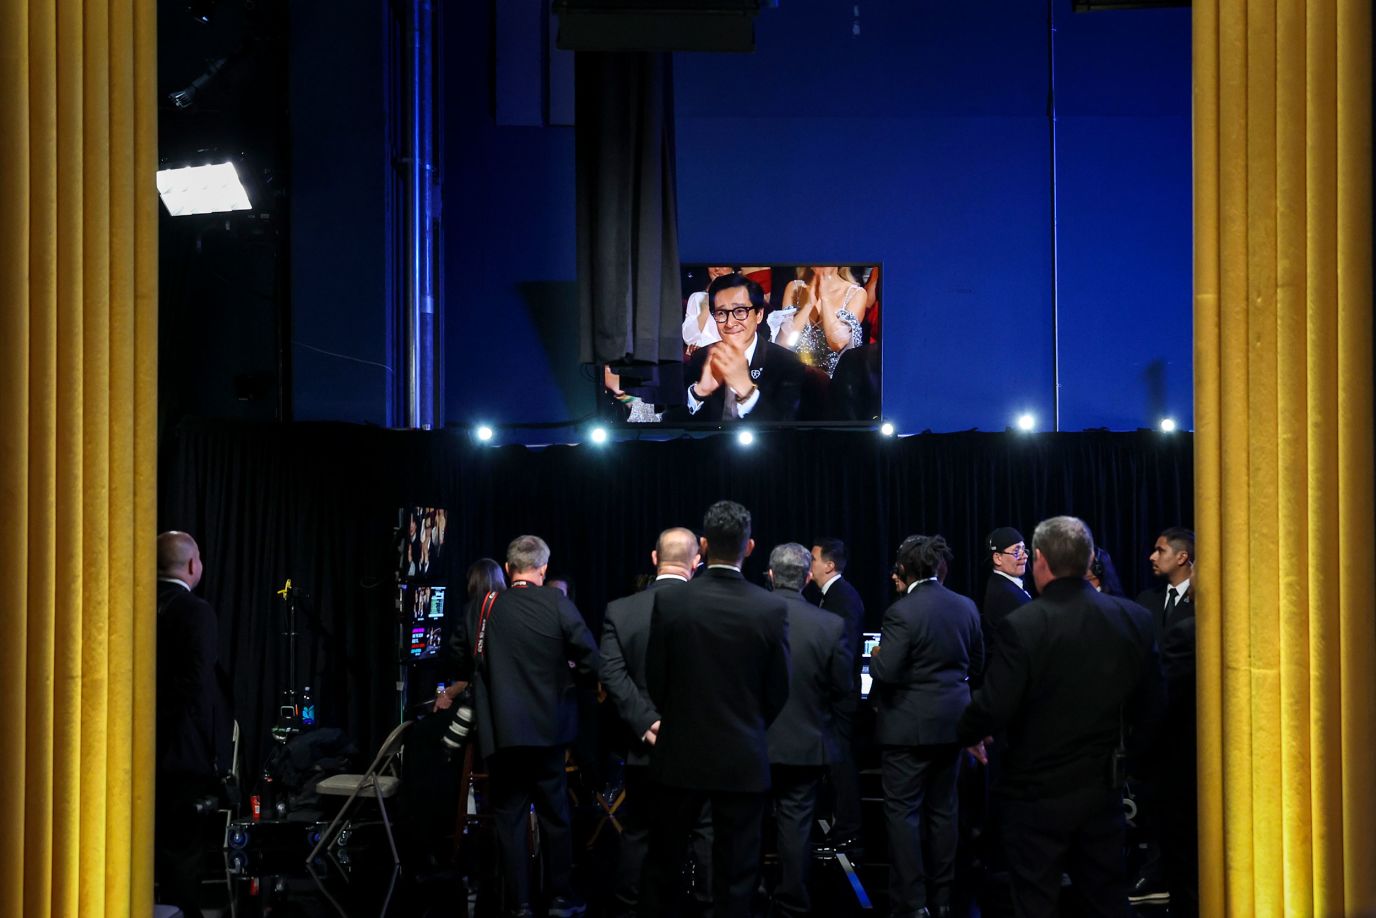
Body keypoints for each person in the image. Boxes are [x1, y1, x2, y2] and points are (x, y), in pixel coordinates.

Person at [959, 516, 1164, 918]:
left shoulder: (1024, 624)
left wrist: (968, 731)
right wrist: (1126, 766)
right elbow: (1154, 707)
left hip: (1033, 796)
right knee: (1105, 902)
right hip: (1103, 792)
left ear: (1040, 560)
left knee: (1035, 903)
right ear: (1088, 558)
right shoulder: (1133, 619)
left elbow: (994, 705)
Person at [642, 500, 791, 918]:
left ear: (703, 546)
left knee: (665, 866)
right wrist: (748, 723)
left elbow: (656, 679)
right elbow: (779, 689)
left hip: (678, 756)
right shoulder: (770, 608)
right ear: (750, 546)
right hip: (742, 756)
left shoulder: (672, 603)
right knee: (738, 874)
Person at [444, 535, 600, 918]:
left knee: (510, 818)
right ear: (543, 570)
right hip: (550, 731)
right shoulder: (558, 603)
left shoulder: (484, 607)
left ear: (509, 567)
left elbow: (458, 657)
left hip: (501, 731)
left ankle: (520, 904)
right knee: (555, 814)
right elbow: (591, 662)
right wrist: (567, 679)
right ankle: (560, 899)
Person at [871, 535, 984, 918]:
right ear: (939, 566)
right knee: (944, 812)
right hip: (953, 727)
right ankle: (943, 898)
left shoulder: (901, 612)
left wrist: (875, 653)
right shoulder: (966, 606)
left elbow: (886, 672)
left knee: (903, 815)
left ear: (904, 569)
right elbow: (978, 663)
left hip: (907, 730)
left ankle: (913, 902)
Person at [599, 527, 701, 916]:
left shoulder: (620, 610)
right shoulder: (710, 607)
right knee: (702, 834)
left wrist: (646, 722)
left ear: (655, 559)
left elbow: (611, 674)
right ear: (696, 562)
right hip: (700, 747)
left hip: (645, 746)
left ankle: (628, 907)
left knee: (638, 831)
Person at [765, 543, 852, 917]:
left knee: (743, 825)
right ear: (806, 578)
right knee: (796, 829)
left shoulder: (747, 615)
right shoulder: (829, 625)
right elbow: (842, 687)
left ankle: (744, 896)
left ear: (770, 575)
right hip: (805, 743)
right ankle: (792, 904)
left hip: (750, 742)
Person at [155, 531, 234, 918]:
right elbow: (196, 684)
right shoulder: (196, 612)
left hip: (136, 751)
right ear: (191, 565)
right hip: (183, 754)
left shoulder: (134, 604)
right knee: (183, 858)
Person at [681, 273, 807, 422]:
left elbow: (785, 430)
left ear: (759, 314)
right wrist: (700, 392)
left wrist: (747, 391)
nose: (730, 323)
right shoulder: (702, 357)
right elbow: (674, 425)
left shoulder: (787, 362)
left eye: (740, 311)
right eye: (721, 313)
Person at [809, 537, 866, 854]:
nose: (810, 565)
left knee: (842, 765)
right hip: (835, 695)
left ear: (829, 565)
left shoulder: (842, 597)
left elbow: (841, 652)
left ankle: (848, 829)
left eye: (814, 559)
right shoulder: (830, 597)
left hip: (840, 697)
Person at [773, 266, 867, 378]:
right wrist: (808, 305)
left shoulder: (856, 293)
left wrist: (825, 299)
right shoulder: (794, 288)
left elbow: (837, 344)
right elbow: (784, 343)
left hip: (833, 384)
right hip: (794, 379)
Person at [1136, 527, 1194, 640]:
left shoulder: (1201, 601)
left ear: (1181, 558)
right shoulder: (1145, 599)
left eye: (1160, 551)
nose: (1152, 557)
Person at [981, 526, 1031, 656]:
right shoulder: (1004, 594)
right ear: (998, 558)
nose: (1024, 556)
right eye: (1016, 552)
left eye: (1023, 549)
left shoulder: (1007, 585)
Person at [682, 265, 734, 351]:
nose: (717, 269)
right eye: (712, 264)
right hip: (702, 356)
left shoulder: (741, 298)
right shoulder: (698, 297)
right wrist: (704, 310)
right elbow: (688, 337)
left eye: (722, 265)